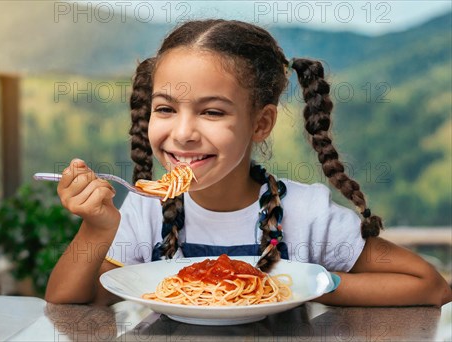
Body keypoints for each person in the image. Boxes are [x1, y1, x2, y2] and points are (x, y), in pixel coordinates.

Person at [45, 19, 452, 307]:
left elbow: (429, 286)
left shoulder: (307, 213)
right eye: (166, 109)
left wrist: (303, 285)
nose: (183, 133)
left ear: (261, 123)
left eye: (213, 113)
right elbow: (70, 299)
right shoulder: (144, 208)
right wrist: (96, 227)